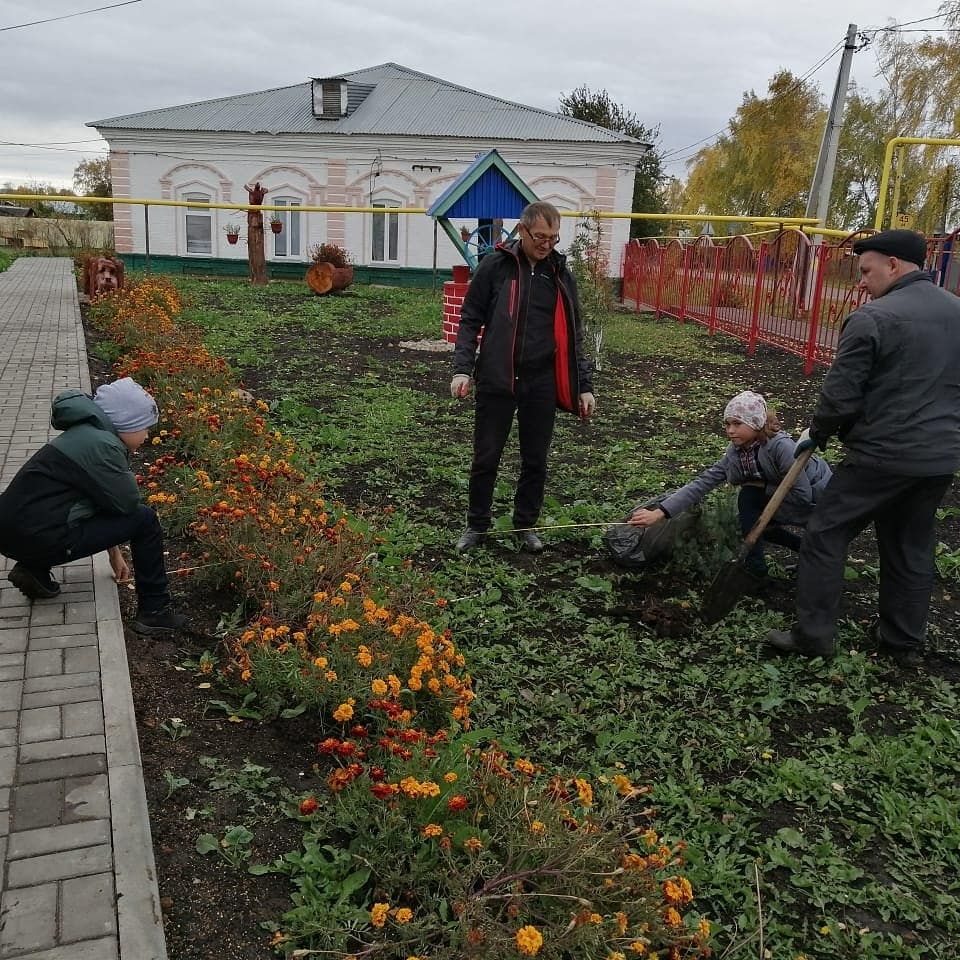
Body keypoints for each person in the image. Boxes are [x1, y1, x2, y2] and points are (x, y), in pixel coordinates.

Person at [766, 229, 960, 666]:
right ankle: (902, 643)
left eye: (866, 270)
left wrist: (817, 433)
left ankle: (814, 634)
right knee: (910, 545)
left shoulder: (873, 318)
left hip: (881, 457)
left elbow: (840, 395)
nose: (861, 282)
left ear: (893, 265)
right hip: (938, 459)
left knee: (826, 532)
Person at [450, 201, 595, 553]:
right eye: (541, 237)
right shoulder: (496, 266)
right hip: (497, 378)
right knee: (486, 457)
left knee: (536, 460)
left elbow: (573, 332)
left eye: (554, 238)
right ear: (523, 230)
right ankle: (477, 525)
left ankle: (525, 525)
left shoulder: (559, 273)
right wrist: (462, 368)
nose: (547, 244)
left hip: (540, 381)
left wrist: (585, 386)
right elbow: (470, 319)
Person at [0, 377, 187, 635]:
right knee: (145, 520)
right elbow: (127, 504)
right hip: (37, 534)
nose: (147, 435)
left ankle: (34, 569)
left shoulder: (86, 436)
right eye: (144, 427)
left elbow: (103, 502)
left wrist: (114, 554)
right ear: (124, 422)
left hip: (14, 533)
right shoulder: (104, 446)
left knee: (57, 518)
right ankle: (154, 611)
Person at [629, 391, 832, 578]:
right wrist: (659, 513)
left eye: (737, 423)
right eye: (727, 424)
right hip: (781, 495)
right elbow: (703, 482)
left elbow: (802, 494)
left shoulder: (780, 447)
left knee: (751, 501)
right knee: (750, 508)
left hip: (819, 498)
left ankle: (811, 558)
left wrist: (762, 487)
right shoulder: (736, 452)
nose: (730, 431)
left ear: (756, 423)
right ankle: (765, 565)